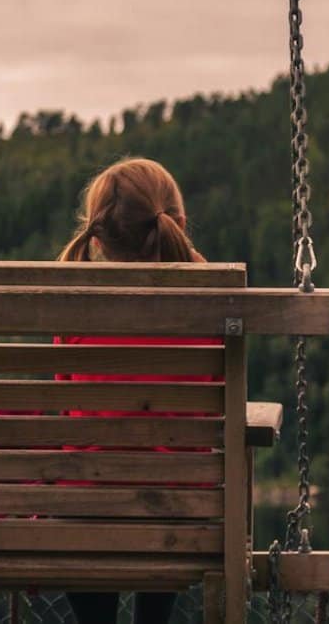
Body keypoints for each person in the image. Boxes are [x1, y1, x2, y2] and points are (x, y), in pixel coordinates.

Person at [56, 158, 221, 624]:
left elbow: (66, 410)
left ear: (99, 235)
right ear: (178, 223)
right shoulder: (209, 306)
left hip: (84, 518)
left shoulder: (74, 308)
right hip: (181, 517)